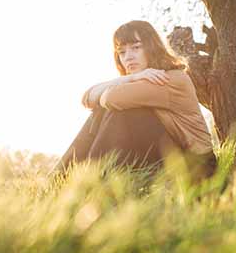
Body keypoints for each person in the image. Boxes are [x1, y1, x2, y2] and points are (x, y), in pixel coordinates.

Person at [54, 20, 216, 178]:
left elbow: (110, 98)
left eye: (136, 48)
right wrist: (127, 79)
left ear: (152, 48)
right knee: (102, 112)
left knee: (117, 111)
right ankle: (66, 180)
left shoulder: (170, 78)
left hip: (197, 167)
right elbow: (87, 98)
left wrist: (123, 84)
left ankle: (84, 182)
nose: (128, 57)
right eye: (122, 52)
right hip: (172, 158)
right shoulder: (141, 80)